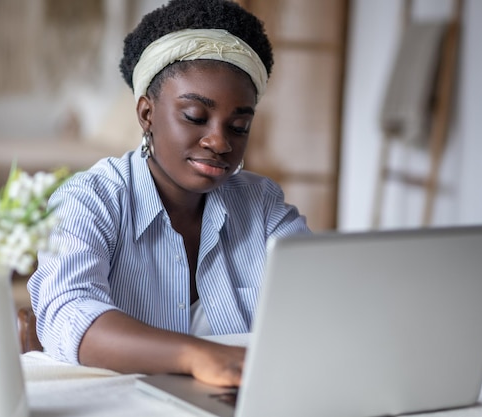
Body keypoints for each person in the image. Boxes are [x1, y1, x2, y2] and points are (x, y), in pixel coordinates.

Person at [28, 0, 310, 388]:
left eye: (240, 126)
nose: (219, 141)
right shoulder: (89, 200)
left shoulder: (263, 206)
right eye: (195, 116)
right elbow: (68, 313)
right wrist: (195, 355)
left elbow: (317, 304)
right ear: (146, 114)